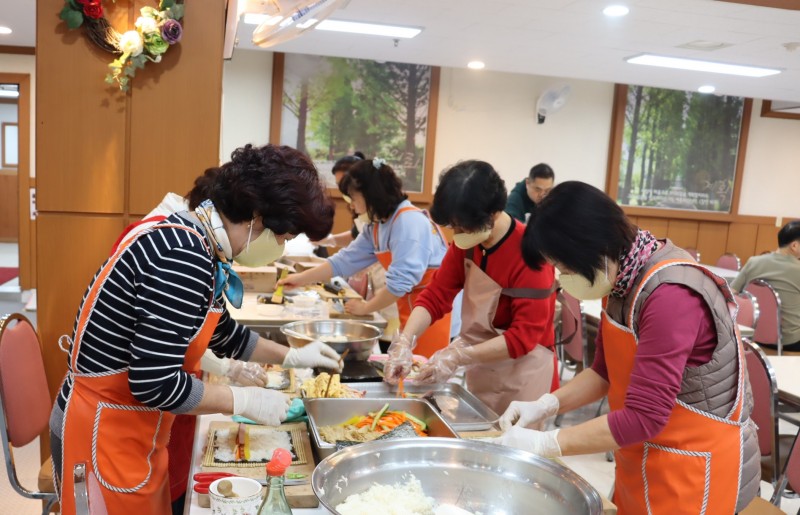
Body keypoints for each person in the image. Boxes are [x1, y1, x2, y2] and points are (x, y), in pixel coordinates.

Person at [50, 144, 343, 515]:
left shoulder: (197, 240)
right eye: (284, 237)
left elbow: (224, 334)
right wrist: (245, 401)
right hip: (102, 435)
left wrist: (292, 354)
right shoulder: (182, 253)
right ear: (257, 215)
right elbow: (154, 383)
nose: (281, 248)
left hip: (132, 431)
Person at [493, 181, 758, 514]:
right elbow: (604, 373)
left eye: (565, 268)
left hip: (691, 472)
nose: (563, 278)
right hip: (640, 455)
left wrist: (547, 442)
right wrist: (545, 405)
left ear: (592, 246)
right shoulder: (619, 279)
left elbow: (645, 416)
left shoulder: (670, 296)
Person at [384, 160, 558, 414]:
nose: (456, 235)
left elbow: (523, 338)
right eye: (453, 227)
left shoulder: (531, 255)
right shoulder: (467, 243)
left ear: (492, 213)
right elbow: (436, 295)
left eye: (461, 227)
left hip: (525, 374)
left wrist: (457, 356)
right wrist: (405, 341)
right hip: (482, 366)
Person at [278, 157, 451, 357]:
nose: (351, 206)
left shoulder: (409, 222)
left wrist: (365, 307)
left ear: (371, 195)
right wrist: (298, 279)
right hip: (410, 309)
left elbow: (398, 285)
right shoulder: (377, 226)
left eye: (353, 198)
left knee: (423, 375)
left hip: (433, 317)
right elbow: (344, 261)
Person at [731, 220, 800, 350]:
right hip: (788, 341)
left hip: (752, 335)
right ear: (795, 245)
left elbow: (731, 294)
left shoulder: (753, 262)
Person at [312, 152, 366, 252]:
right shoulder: (358, 207)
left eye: (345, 184)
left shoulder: (379, 213)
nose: (343, 190)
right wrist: (329, 240)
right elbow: (357, 235)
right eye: (339, 185)